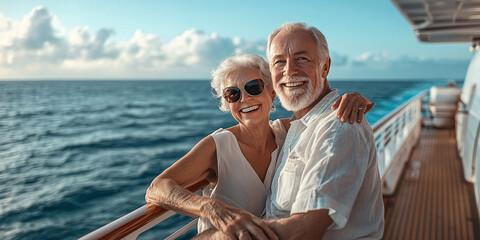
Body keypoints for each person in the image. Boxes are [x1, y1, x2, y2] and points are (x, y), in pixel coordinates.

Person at [145, 53, 373, 239]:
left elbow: (324, 115)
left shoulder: (289, 131)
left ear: (272, 92)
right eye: (232, 94)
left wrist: (353, 99)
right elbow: (157, 188)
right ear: (227, 104)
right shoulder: (219, 145)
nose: (244, 98)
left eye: (253, 87)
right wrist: (212, 209)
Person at [262, 22, 384, 239]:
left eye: (301, 59)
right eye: (279, 62)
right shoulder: (291, 128)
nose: (289, 71)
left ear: (325, 67)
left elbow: (305, 231)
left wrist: (225, 233)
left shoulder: (340, 124)